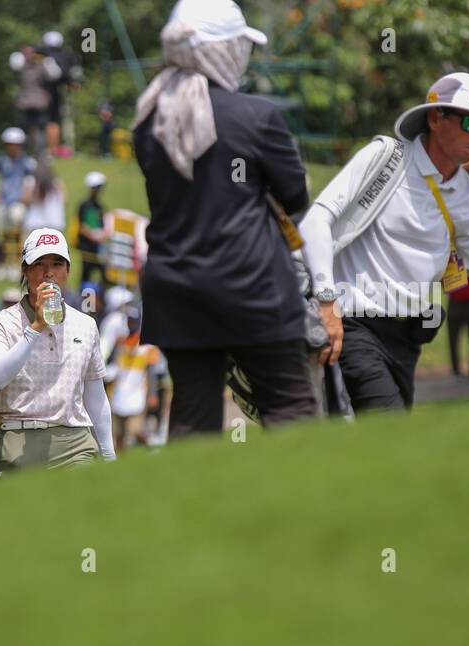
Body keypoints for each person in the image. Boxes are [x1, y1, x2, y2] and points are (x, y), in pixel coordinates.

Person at [301, 72, 469, 413]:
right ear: (435, 117)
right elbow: (316, 220)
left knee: (379, 445)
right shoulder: (385, 158)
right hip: (354, 323)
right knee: (388, 432)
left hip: (409, 337)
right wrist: (327, 302)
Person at [133, 0, 318, 437]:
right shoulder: (257, 116)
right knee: (290, 405)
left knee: (193, 418)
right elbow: (294, 196)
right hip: (254, 287)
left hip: (177, 290)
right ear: (224, 51)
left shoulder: (149, 120)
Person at [0, 228, 115, 474]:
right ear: (25, 270)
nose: (48, 273)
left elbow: (96, 397)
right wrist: (36, 328)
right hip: (19, 439)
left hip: (76, 444)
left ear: (68, 270)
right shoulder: (0, 322)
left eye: (57, 263)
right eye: (39, 264)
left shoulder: (86, 325)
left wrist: (108, 454)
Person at [0, 127, 37, 277]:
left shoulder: (26, 161)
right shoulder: (1, 160)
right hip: (3, 202)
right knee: (4, 235)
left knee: (18, 234)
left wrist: (28, 195)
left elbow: (34, 179)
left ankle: (17, 264)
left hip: (18, 203)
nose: (13, 147)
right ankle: (4, 264)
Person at [109, 310, 162, 451]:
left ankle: (151, 449)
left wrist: (152, 394)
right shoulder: (120, 343)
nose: (130, 324)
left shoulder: (146, 346)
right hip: (119, 394)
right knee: (118, 434)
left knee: (135, 430)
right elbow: (112, 365)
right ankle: (121, 463)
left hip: (137, 394)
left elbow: (151, 372)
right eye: (129, 322)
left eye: (133, 322)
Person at [9, 43, 59, 155]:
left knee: (33, 128)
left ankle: (33, 152)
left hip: (30, 101)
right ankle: (34, 152)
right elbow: (54, 76)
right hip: (35, 102)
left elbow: (53, 75)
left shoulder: (31, 64)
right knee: (32, 128)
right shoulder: (37, 64)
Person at [77, 172, 109, 288]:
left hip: (98, 248)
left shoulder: (101, 207)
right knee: (85, 273)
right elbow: (81, 226)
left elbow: (103, 226)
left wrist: (102, 236)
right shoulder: (84, 205)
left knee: (105, 274)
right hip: (87, 247)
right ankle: (82, 296)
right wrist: (92, 236)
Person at [23, 159, 67, 234]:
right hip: (37, 224)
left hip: (51, 224)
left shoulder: (56, 182)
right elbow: (65, 201)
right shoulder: (31, 182)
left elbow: (64, 200)